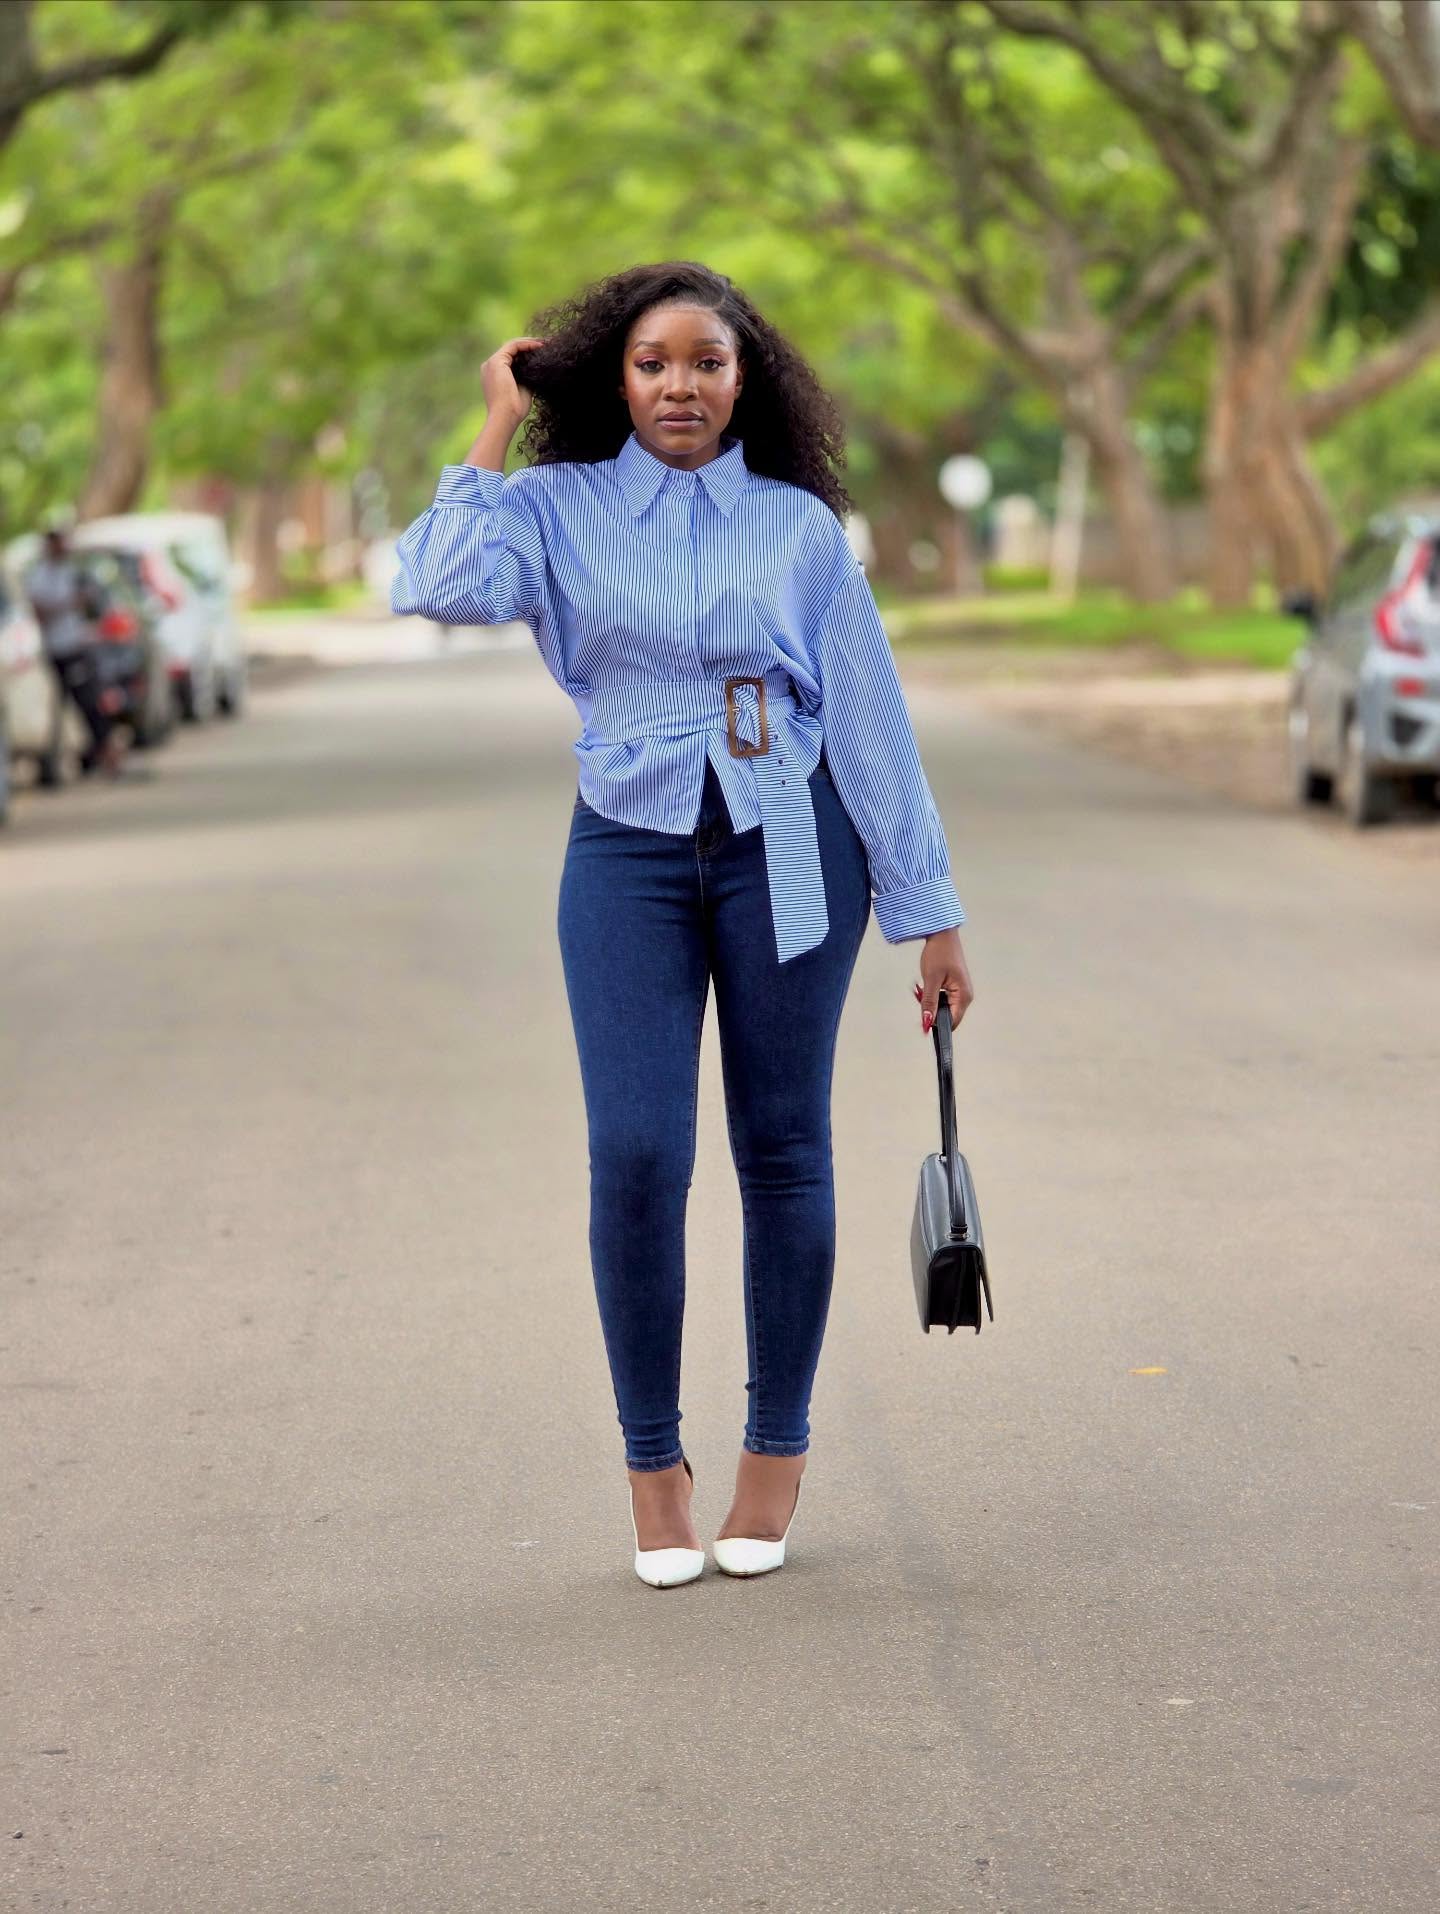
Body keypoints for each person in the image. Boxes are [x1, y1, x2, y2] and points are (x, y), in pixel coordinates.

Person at [391, 261, 975, 1589]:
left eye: (707, 360)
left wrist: (929, 915)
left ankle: (775, 1453)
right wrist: (493, 417)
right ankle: (655, 1471)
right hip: (627, 851)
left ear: (742, 375)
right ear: (614, 375)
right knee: (640, 1156)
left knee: (784, 1145)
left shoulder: (801, 529)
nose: (681, 386)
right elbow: (433, 580)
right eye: (653, 362)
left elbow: (869, 720)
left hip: (791, 837)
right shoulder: (551, 505)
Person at [26, 528, 126, 779]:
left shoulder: (71, 573)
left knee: (90, 704)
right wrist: (66, 604)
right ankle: (53, 765)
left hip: (76, 647)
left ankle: (104, 756)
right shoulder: (39, 576)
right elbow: (39, 611)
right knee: (57, 710)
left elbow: (88, 603)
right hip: (55, 651)